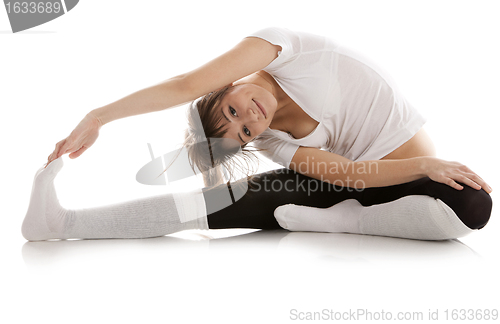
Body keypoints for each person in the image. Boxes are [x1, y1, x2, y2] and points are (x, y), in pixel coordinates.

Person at [23, 27, 492, 242]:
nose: (251, 117)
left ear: (227, 84)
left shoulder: (279, 49)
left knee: (472, 205)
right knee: (223, 203)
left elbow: (186, 84)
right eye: (245, 131)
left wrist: (98, 116)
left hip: (409, 184)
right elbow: (349, 174)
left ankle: (351, 222)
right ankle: (63, 224)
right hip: (362, 183)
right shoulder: (270, 140)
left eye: (232, 107)